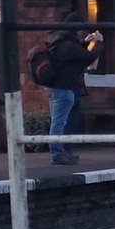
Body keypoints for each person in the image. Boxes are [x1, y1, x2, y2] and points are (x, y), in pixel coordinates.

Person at [46, 10, 103, 166]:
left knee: (61, 120)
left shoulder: (60, 41)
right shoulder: (67, 44)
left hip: (58, 87)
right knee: (59, 122)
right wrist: (99, 43)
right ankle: (58, 153)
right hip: (63, 88)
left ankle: (63, 151)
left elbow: (76, 53)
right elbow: (87, 58)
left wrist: (85, 42)